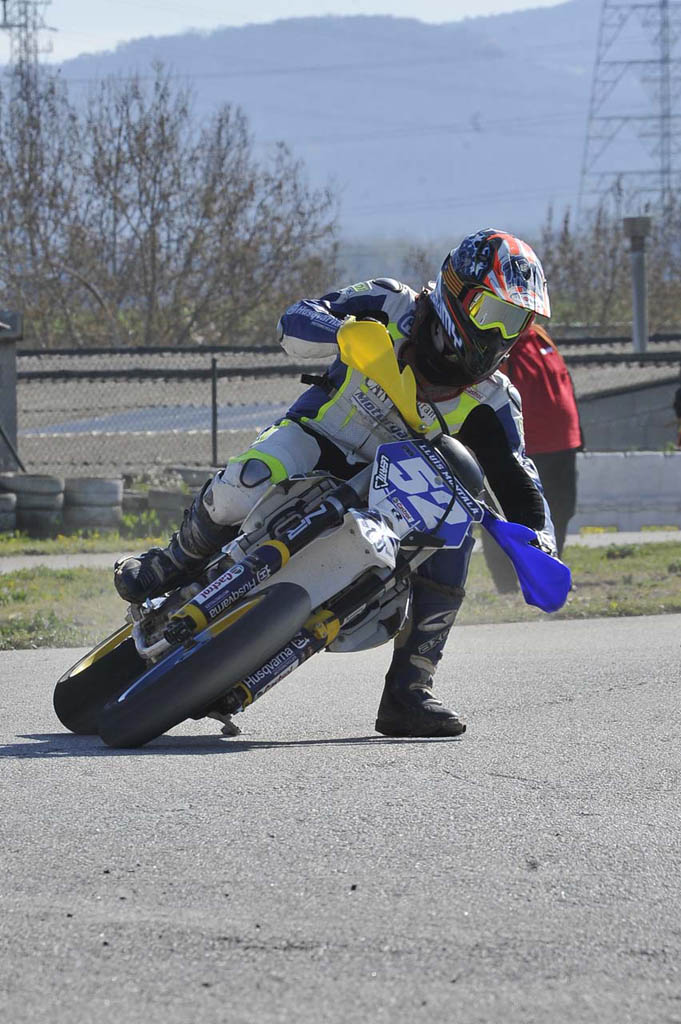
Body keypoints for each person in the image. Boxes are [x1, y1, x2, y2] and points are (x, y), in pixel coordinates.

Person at [114, 228, 556, 738]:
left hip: (392, 496)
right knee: (244, 481)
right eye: (491, 313)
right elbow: (295, 319)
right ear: (457, 292)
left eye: (513, 321)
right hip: (318, 438)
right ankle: (172, 561)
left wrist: (539, 543)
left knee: (457, 529)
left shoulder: (495, 398)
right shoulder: (391, 303)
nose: (499, 333)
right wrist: (342, 331)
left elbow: (519, 479)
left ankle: (410, 689)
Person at [482, 323, 582, 591]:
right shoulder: (496, 338)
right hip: (520, 449)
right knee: (504, 516)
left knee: (561, 510)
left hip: (563, 441)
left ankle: (550, 573)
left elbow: (564, 382)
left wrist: (579, 433)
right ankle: (507, 586)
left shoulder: (540, 334)